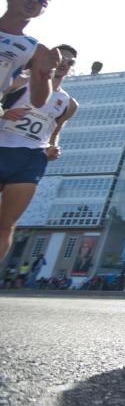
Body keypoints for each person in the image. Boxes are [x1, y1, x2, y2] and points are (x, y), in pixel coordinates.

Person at [0, 0, 61, 260]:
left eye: (41, 0)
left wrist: (45, 73)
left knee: (5, 226)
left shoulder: (34, 48)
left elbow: (38, 100)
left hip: (25, 154)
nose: (33, 0)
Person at [0, 46, 78, 261]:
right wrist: (5, 114)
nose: (63, 63)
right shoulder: (18, 82)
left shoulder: (69, 104)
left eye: (69, 62)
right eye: (59, 58)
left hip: (31, 158)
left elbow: (55, 132)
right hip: (2, 147)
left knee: (6, 225)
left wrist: (53, 147)